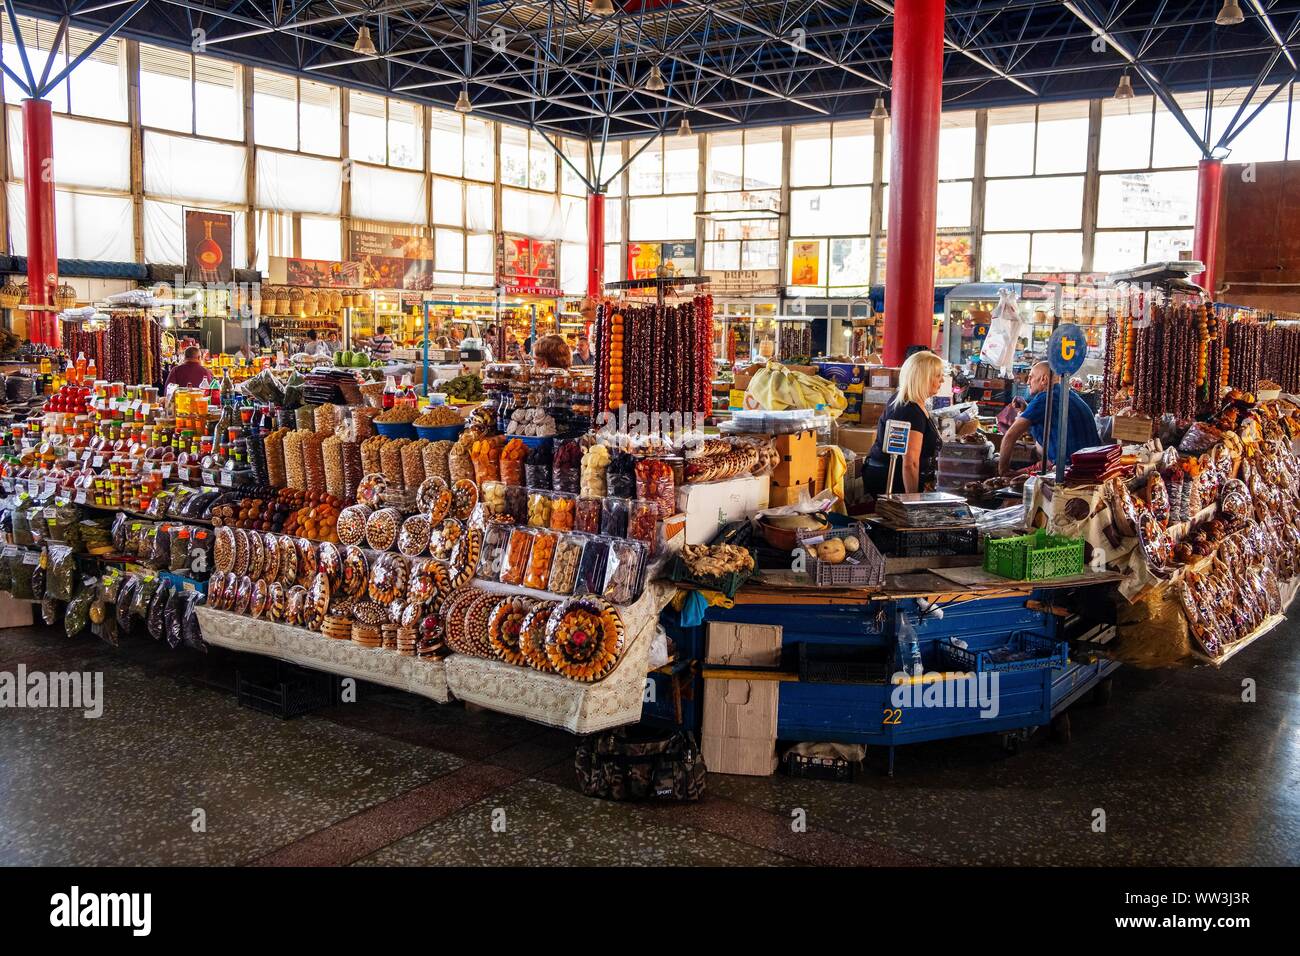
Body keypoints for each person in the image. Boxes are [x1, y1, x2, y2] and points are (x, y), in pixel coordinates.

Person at [997, 361, 1101, 476]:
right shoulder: (1066, 393)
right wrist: (1025, 409)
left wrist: (1003, 472)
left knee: (1011, 478)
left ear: (1044, 379)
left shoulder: (1045, 398)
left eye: (1031, 377)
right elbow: (1047, 419)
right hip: (1090, 464)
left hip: (1069, 468)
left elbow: (1010, 436)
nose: (1027, 382)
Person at [865, 349, 946, 495]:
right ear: (923, 378)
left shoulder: (908, 402)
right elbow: (910, 463)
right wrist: (912, 500)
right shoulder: (909, 411)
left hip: (890, 476)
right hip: (893, 482)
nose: (942, 380)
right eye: (938, 376)